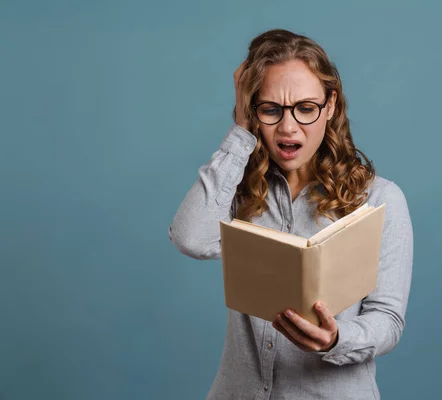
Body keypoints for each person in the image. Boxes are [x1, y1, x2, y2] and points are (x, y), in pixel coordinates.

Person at [168, 28, 413, 400]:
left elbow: (388, 320)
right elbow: (189, 237)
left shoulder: (380, 199)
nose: (287, 126)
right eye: (270, 109)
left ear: (330, 105)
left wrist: (336, 339)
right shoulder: (237, 190)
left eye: (305, 108)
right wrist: (240, 129)